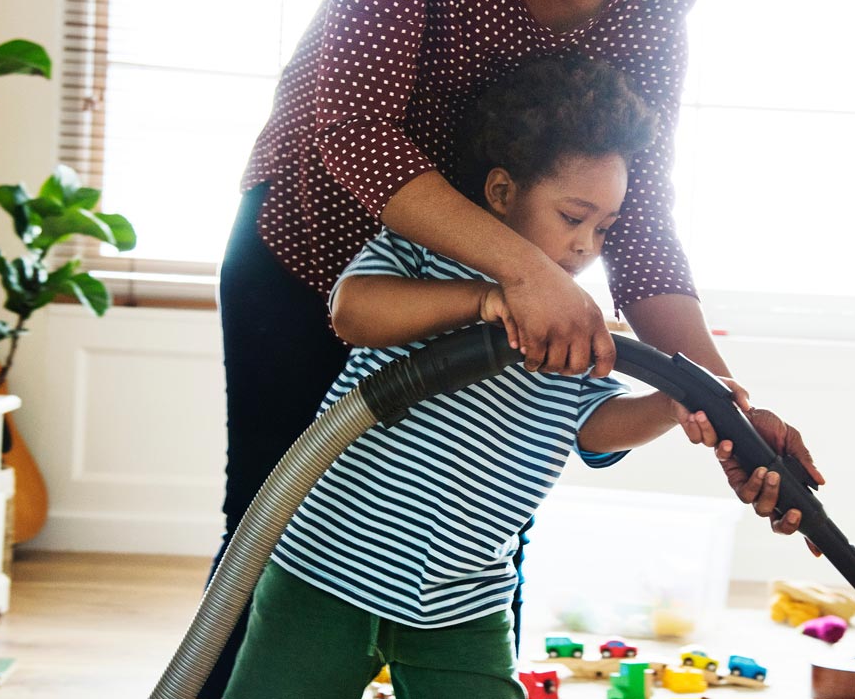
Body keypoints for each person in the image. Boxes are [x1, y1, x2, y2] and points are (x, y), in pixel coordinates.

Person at [211, 0, 823, 693]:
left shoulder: (649, 13)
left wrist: (723, 403)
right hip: (316, 242)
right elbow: (353, 127)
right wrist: (520, 276)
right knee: (269, 535)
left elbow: (639, 222)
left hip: (516, 287)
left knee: (482, 551)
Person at [225, 55, 739, 697]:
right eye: (572, 217)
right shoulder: (429, 253)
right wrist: (483, 299)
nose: (586, 246)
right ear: (502, 193)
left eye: (604, 229)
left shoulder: (576, 329)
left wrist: (670, 402)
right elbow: (352, 310)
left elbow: (598, 429)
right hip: (328, 573)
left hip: (465, 600)